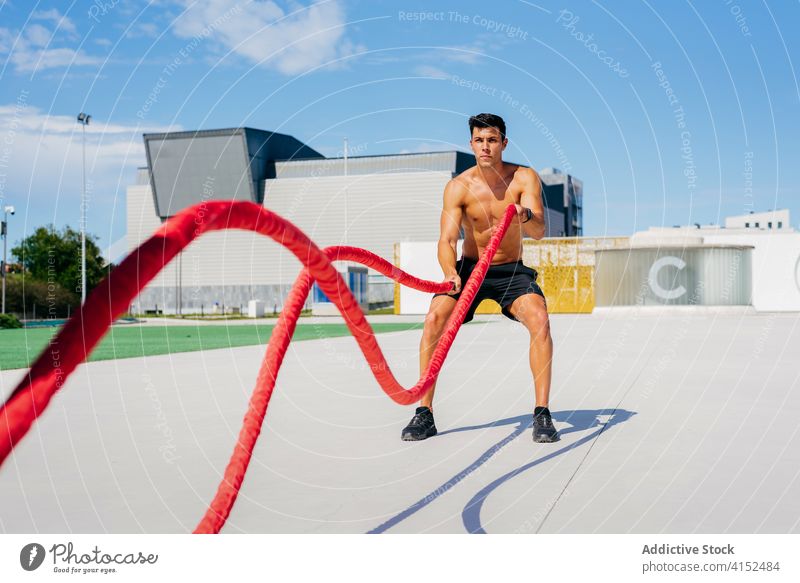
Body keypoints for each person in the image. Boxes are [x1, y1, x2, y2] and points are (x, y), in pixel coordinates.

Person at [401, 113, 558, 443]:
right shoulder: (458, 186)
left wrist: (523, 214)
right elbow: (446, 240)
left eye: (492, 140)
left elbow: (540, 231)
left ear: (503, 143)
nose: (485, 146)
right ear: (471, 144)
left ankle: (542, 414)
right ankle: (424, 413)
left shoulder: (524, 178)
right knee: (433, 320)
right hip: (469, 269)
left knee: (540, 320)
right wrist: (448, 272)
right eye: (479, 140)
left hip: (510, 271)